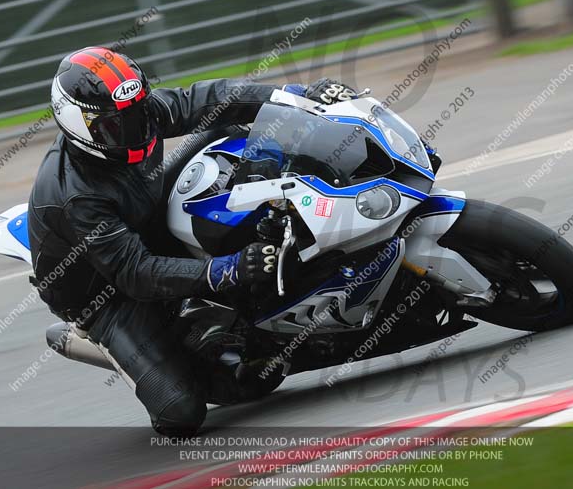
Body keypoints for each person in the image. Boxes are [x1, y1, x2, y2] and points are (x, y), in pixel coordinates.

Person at [28, 46, 357, 436]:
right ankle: (102, 342)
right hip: (106, 290)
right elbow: (137, 273)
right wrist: (230, 269)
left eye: (139, 111)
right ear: (79, 126)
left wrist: (297, 96)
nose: (138, 127)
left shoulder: (140, 115)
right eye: (120, 124)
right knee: (182, 414)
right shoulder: (76, 196)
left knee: (236, 129)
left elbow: (211, 100)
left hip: (143, 214)